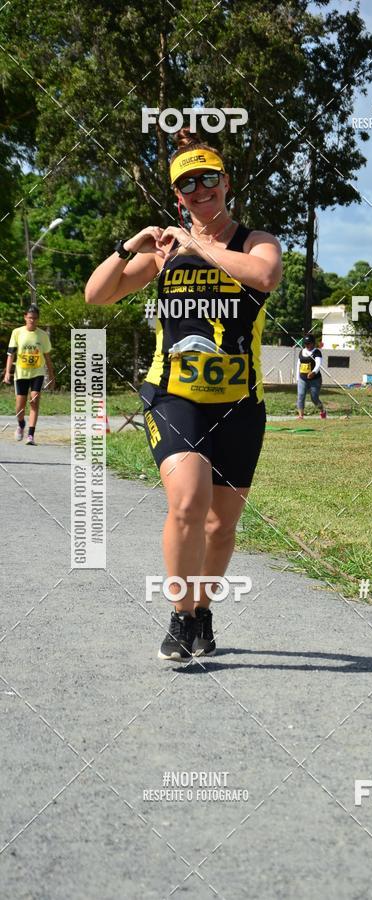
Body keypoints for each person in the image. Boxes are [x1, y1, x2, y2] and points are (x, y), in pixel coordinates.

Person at [85, 129, 282, 660]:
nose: (200, 190)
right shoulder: (165, 253)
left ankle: (201, 613)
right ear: (178, 196)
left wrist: (198, 245)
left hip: (241, 402)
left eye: (208, 180)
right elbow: (97, 294)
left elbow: (264, 276)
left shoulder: (255, 241)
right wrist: (132, 246)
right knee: (189, 500)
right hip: (174, 396)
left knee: (221, 524)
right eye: (187, 184)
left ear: (226, 184)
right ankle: (178, 617)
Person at [3, 305, 56, 444]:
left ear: (38, 319)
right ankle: (21, 425)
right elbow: (10, 354)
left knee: (34, 400)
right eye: (30, 318)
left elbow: (48, 358)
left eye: (35, 318)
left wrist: (51, 376)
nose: (32, 321)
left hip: (37, 372)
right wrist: (8, 372)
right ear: (25, 317)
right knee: (19, 406)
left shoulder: (42, 335)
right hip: (21, 373)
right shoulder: (17, 332)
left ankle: (31, 435)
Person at [296, 334, 326, 419]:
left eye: (309, 343)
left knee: (314, 398)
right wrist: (298, 378)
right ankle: (300, 416)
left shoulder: (317, 352)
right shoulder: (301, 352)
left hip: (315, 379)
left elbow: (318, 364)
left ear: (313, 343)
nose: (307, 345)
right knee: (301, 395)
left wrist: (313, 372)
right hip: (302, 379)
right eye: (305, 344)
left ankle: (322, 410)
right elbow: (298, 365)